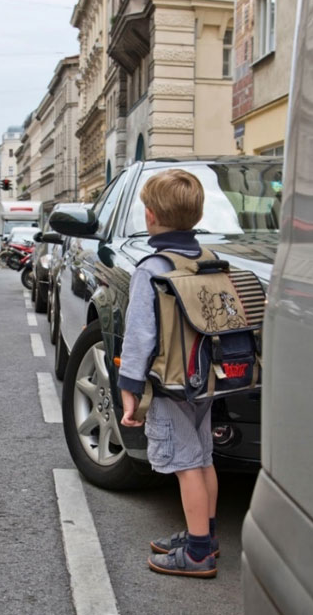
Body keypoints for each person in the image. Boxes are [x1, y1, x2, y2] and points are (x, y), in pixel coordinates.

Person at [117, 169, 219, 579]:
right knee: (204, 457)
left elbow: (139, 337)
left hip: (170, 383)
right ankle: (205, 535)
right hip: (205, 379)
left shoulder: (152, 268)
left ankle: (197, 554)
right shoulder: (209, 260)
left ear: (150, 215)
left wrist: (131, 390)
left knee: (184, 464)